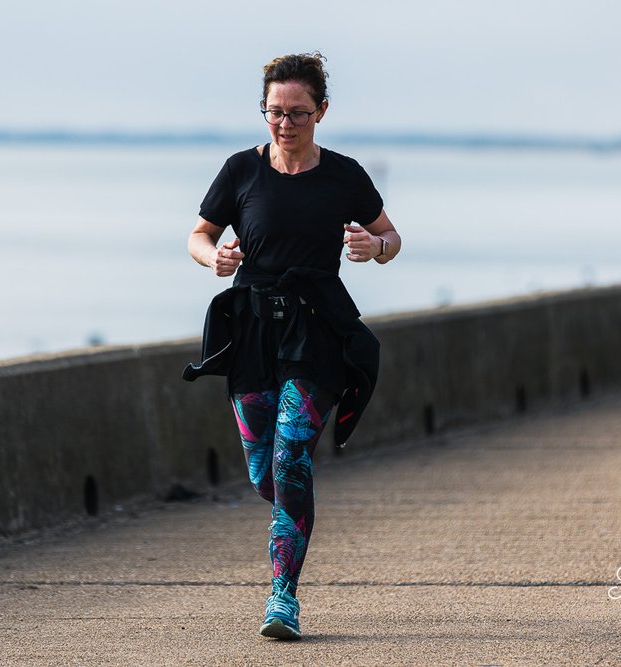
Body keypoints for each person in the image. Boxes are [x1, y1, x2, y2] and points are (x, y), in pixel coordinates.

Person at [183, 52, 401, 641]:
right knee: (265, 473)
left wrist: (372, 249)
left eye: (298, 113)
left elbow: (391, 235)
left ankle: (283, 598)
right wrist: (216, 258)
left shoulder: (345, 175)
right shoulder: (240, 172)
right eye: (273, 112)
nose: (284, 124)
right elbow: (199, 236)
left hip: (317, 328)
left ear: (321, 111)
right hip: (252, 331)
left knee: (291, 458)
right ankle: (292, 512)